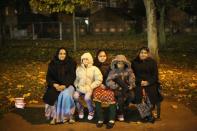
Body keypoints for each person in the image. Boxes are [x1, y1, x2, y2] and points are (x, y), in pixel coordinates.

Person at [43, 47, 77, 124]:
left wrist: (64, 85)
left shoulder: (70, 63)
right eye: (60, 53)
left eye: (64, 54)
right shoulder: (52, 64)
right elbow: (49, 77)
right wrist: (54, 84)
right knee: (52, 95)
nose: (62, 55)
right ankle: (54, 117)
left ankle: (68, 116)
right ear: (57, 54)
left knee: (66, 95)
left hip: (68, 85)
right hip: (55, 85)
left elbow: (72, 77)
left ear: (66, 55)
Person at [131, 47, 163, 123]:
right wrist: (140, 81)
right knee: (138, 97)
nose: (143, 54)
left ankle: (145, 115)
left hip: (151, 83)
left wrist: (148, 82)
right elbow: (132, 75)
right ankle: (149, 116)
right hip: (138, 83)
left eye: (145, 53)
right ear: (139, 53)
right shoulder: (134, 62)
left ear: (148, 54)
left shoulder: (152, 62)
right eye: (141, 52)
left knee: (151, 97)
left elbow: (155, 76)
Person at [106, 54, 135, 122]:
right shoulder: (113, 71)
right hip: (117, 89)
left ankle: (124, 106)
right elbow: (108, 81)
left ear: (125, 64)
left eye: (122, 63)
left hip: (126, 88)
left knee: (132, 95)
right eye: (119, 63)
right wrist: (116, 86)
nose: (120, 65)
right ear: (116, 64)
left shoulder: (128, 71)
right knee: (120, 97)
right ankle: (120, 112)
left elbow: (132, 78)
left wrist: (131, 85)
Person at [74, 52, 103, 120]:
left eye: (87, 59)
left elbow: (99, 79)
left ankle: (91, 111)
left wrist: (91, 86)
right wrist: (77, 86)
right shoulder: (79, 69)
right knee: (75, 96)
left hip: (89, 88)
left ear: (90, 59)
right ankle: (80, 109)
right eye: (83, 59)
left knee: (87, 98)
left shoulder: (94, 68)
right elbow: (76, 80)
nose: (85, 61)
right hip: (80, 88)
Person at [93, 50, 116, 129]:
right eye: (100, 56)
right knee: (96, 94)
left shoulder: (111, 66)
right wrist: (99, 84)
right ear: (97, 57)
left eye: (104, 56)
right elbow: (93, 78)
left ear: (106, 57)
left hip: (109, 85)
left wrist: (106, 85)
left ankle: (112, 119)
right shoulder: (94, 66)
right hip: (98, 85)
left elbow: (113, 78)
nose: (102, 58)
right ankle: (100, 118)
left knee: (112, 95)